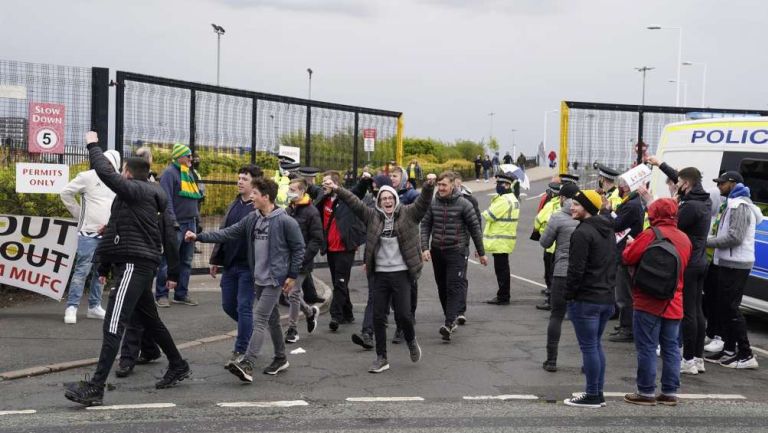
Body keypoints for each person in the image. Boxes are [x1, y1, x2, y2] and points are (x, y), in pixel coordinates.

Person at [65, 132, 189, 407]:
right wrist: (104, 264)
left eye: (122, 171)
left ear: (129, 174)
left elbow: (105, 172)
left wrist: (92, 144)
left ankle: (95, 387)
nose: (119, 175)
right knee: (151, 321)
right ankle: (179, 365)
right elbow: (118, 231)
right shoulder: (142, 197)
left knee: (113, 321)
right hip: (138, 264)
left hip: (135, 265)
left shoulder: (136, 191)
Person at [187, 177, 305, 382]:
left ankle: (248, 363)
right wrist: (198, 237)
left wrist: (292, 275)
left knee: (259, 318)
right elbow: (228, 233)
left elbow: (298, 249)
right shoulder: (253, 219)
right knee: (273, 320)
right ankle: (281, 357)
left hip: (274, 280)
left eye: (255, 194)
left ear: (266, 197)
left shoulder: (285, 221)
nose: (251, 197)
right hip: (257, 277)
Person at [332, 173, 436, 373]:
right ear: (379, 202)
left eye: (390, 198)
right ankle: (381, 357)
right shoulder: (372, 216)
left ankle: (411, 340)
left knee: (404, 315)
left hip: (402, 273)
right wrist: (337, 189)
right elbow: (354, 202)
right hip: (379, 274)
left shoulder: (409, 213)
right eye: (383, 199)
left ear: (395, 199)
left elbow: (423, 202)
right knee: (378, 317)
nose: (387, 201)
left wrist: (429, 186)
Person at [621, 198, 692, 406]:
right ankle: (669, 392)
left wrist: (631, 245)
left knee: (647, 347)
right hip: (674, 300)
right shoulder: (685, 239)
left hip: (648, 300)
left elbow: (628, 257)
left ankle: (645, 392)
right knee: (670, 347)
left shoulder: (651, 234)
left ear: (654, 214)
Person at [647, 156, 712, 375]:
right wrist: (660, 164)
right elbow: (682, 177)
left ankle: (689, 358)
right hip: (701, 260)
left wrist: (673, 203)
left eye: (680, 184)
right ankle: (698, 357)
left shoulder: (691, 206)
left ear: (686, 184)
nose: (677, 186)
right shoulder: (703, 199)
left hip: (690, 263)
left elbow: (673, 224)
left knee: (689, 312)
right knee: (698, 311)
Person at [562, 189, 616, 408]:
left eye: (576, 204)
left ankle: (592, 394)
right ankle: (598, 392)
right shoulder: (607, 230)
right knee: (595, 345)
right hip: (605, 297)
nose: (571, 207)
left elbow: (576, 270)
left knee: (589, 347)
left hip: (586, 299)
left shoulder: (582, 233)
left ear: (587, 208)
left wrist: (569, 295)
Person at [704, 171, 763, 369]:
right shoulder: (732, 203)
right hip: (728, 262)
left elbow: (735, 237)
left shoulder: (739, 205)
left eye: (722, 183)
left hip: (736, 263)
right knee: (724, 307)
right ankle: (730, 350)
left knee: (731, 308)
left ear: (733, 183)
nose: (719, 186)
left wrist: (706, 242)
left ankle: (746, 354)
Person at [421, 171, 487, 342]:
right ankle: (449, 317)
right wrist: (424, 247)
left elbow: (475, 229)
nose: (441, 188)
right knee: (441, 287)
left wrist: (481, 253)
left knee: (453, 286)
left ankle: (449, 323)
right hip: (437, 251)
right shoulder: (433, 203)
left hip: (457, 251)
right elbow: (425, 225)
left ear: (452, 185)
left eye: (444, 185)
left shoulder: (464, 204)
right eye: (439, 185)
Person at [59, 149, 121, 324]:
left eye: (109, 163)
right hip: (88, 232)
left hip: (108, 233)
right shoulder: (87, 176)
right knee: (82, 269)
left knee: (101, 271)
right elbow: (65, 192)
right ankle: (72, 306)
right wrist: (79, 214)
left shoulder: (116, 180)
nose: (106, 166)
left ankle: (94, 306)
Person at [208, 165, 261, 365]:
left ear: (254, 182)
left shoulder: (257, 209)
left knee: (244, 307)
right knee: (228, 305)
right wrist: (215, 260)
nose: (239, 181)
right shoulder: (234, 204)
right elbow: (224, 232)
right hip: (230, 266)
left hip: (248, 267)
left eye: (244, 179)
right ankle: (254, 331)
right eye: (239, 178)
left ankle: (241, 349)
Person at [318, 170, 367, 331]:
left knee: (340, 282)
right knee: (339, 282)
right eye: (323, 182)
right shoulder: (323, 198)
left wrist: (365, 180)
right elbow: (309, 188)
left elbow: (358, 191)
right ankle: (348, 312)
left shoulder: (346, 198)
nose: (324, 185)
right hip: (331, 248)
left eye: (327, 182)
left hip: (345, 248)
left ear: (335, 184)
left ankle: (335, 316)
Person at [155, 143, 202, 307]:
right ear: (180, 157)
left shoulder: (189, 173)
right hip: (176, 224)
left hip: (191, 222)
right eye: (188, 156)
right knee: (168, 259)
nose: (191, 159)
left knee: (186, 260)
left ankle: (181, 294)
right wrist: (172, 221)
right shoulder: (169, 173)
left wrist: (197, 219)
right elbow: (166, 199)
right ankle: (162, 294)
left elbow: (195, 197)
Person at [540, 183, 579, 372]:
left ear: (562, 198)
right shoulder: (588, 216)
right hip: (583, 274)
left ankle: (551, 360)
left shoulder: (557, 217)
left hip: (562, 271)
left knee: (556, 315)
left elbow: (545, 242)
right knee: (583, 318)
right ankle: (587, 362)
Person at [606, 178, 645, 343]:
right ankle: (625, 324)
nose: (620, 188)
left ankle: (627, 328)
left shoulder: (631, 205)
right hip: (627, 250)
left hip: (625, 252)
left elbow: (617, 224)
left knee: (624, 294)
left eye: (623, 185)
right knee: (624, 292)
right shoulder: (633, 202)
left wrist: (607, 211)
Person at [284, 178, 323, 344]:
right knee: (287, 292)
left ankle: (292, 329)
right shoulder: (288, 210)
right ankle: (309, 312)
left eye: (293, 190)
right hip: (286, 258)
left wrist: (304, 258)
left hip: (302, 261)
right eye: (289, 189)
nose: (290, 192)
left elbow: (317, 239)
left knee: (293, 293)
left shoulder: (311, 212)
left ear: (302, 192)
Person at [482, 173, 520, 306]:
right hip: (505, 239)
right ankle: (503, 295)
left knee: (501, 270)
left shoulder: (504, 200)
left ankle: (503, 296)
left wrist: (491, 206)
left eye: (500, 184)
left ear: (508, 185)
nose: (497, 186)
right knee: (503, 269)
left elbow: (489, 215)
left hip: (501, 239)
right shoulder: (512, 198)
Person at [530, 182, 561, 310]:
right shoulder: (567, 205)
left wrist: (541, 230)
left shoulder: (551, 205)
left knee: (550, 274)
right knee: (557, 275)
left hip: (550, 245)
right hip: (560, 246)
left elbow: (538, 221)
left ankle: (550, 299)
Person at [454, 172, 481, 325]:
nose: (456, 188)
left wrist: (479, 247)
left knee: (461, 278)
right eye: (454, 185)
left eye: (458, 185)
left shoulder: (470, 200)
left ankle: (460, 311)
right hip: (444, 247)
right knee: (447, 281)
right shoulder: (440, 200)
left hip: (462, 245)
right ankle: (450, 309)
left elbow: (476, 224)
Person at [296, 166, 325, 304]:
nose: (310, 180)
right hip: (303, 229)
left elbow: (320, 196)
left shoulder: (313, 194)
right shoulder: (295, 187)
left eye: (311, 178)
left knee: (304, 264)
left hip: (309, 227)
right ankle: (310, 295)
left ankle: (309, 296)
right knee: (304, 267)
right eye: (308, 178)